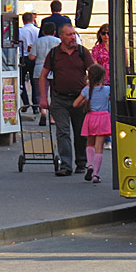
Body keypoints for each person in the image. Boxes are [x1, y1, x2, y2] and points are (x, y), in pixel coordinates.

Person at [39, 23, 95, 177]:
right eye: (69, 35)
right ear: (61, 37)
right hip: (59, 99)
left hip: (80, 99)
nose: (72, 37)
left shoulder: (83, 52)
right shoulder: (53, 54)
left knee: (80, 132)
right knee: (63, 132)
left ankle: (81, 163)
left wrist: (92, 90)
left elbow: (93, 71)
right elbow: (43, 75)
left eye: (73, 34)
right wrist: (43, 97)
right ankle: (65, 165)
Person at [75, 64, 110, 183]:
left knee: (89, 143)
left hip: (91, 118)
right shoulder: (106, 90)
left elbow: (75, 104)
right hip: (103, 118)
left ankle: (89, 165)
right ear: (103, 77)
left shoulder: (86, 90)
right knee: (99, 147)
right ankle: (96, 174)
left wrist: (86, 99)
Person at [32, 22, 61, 127]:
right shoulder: (58, 41)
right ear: (54, 32)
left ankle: (43, 111)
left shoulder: (38, 41)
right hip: (55, 70)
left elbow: (32, 57)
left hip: (39, 69)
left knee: (40, 92)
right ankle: (53, 117)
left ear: (43, 31)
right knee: (55, 94)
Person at [18, 12, 39, 115]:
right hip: (35, 58)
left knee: (21, 82)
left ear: (23, 21)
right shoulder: (37, 31)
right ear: (33, 20)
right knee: (34, 82)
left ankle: (25, 102)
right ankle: (36, 106)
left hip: (23, 58)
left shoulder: (20, 31)